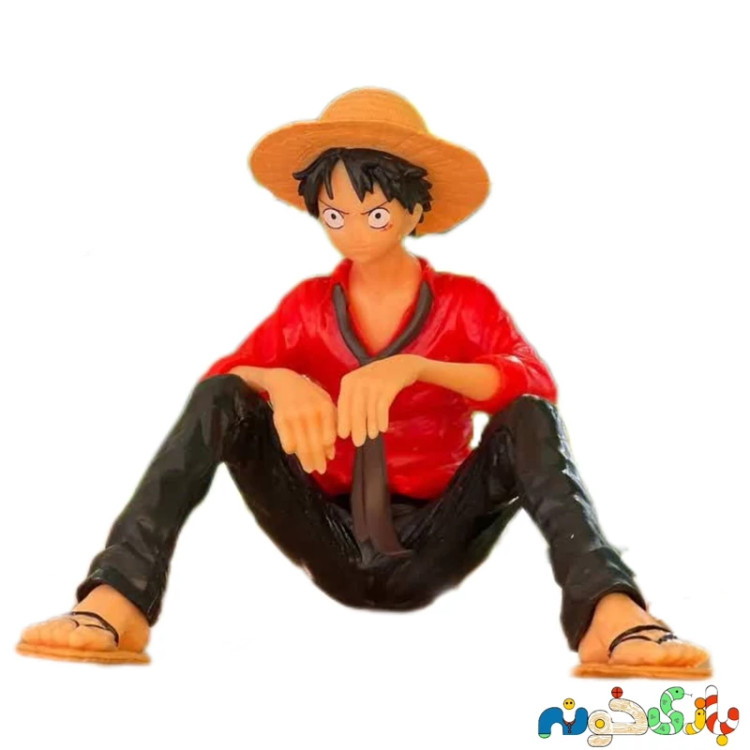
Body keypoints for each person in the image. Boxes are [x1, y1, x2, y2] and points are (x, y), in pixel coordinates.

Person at [17, 87, 710, 677]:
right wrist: (278, 381)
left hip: (437, 533)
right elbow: (220, 382)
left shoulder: (465, 303)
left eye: (375, 212)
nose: (352, 230)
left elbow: (534, 383)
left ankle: (609, 610)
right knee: (222, 397)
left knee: (529, 417)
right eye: (334, 214)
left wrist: (419, 367)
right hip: (327, 528)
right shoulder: (307, 309)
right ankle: (118, 598)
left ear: (415, 210)